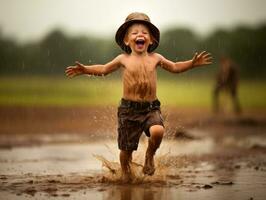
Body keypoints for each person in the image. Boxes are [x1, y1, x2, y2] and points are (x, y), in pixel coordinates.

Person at [65, 12, 212, 181]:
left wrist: (192, 64)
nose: (139, 35)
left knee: (158, 131)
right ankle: (125, 173)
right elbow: (104, 69)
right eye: (134, 33)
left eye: (144, 33)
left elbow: (175, 67)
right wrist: (85, 70)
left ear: (151, 40)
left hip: (151, 108)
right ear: (127, 41)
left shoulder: (156, 58)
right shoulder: (123, 59)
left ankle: (150, 156)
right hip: (129, 110)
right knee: (126, 151)